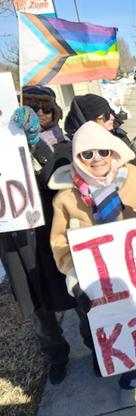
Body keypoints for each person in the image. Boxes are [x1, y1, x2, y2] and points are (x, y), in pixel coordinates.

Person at [48, 121, 136, 406]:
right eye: (87, 154)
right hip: (105, 282)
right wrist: (75, 275)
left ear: (113, 151)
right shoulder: (66, 199)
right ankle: (131, 375)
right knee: (124, 326)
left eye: (102, 150)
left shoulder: (135, 177)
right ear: (77, 158)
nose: (96, 158)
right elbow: (59, 243)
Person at [0, 101, 75, 385]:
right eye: (35, 109)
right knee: (34, 303)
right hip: (14, 239)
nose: (41, 114)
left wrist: (35, 146)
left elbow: (57, 175)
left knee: (76, 294)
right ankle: (56, 355)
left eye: (46, 109)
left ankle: (94, 345)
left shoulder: (62, 144)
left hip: (51, 232)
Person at [64, 93, 134, 149]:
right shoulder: (77, 147)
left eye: (111, 112)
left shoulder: (118, 136)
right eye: (106, 116)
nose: (112, 117)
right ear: (90, 120)